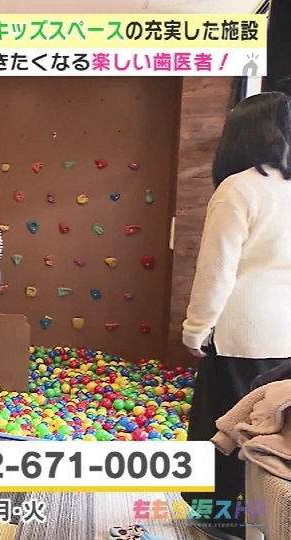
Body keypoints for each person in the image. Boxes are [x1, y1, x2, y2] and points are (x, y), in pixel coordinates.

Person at [181, 91, 291, 539]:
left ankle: (222, 519)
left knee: (223, 430)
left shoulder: (239, 188)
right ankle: (266, 519)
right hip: (285, 337)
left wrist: (195, 330)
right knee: (273, 430)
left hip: (243, 334)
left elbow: (217, 270)